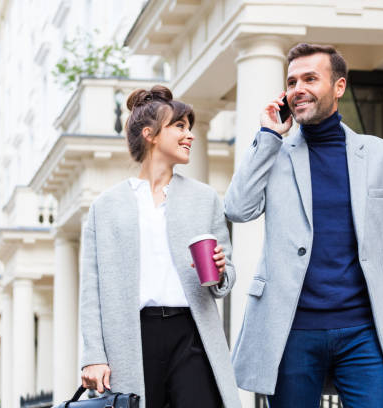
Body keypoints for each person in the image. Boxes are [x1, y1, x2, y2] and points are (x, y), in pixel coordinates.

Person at [225, 43, 383, 407]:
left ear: (339, 87)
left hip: (363, 332)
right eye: (291, 82)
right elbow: (238, 208)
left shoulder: (381, 156)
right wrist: (268, 137)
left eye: (310, 78)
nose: (298, 89)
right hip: (290, 331)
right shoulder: (274, 153)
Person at [79, 85, 241, 408]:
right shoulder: (106, 206)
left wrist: (222, 269)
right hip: (132, 337)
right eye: (179, 126)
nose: (189, 135)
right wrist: (93, 355)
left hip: (191, 334)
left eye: (190, 128)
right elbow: (91, 290)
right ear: (150, 133)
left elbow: (224, 281)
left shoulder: (204, 198)